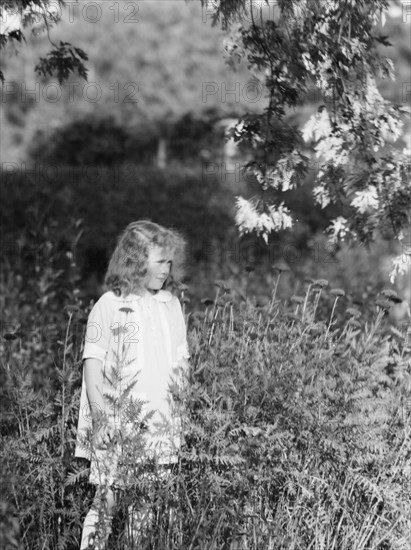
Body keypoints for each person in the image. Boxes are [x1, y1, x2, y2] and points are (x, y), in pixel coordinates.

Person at [75, 220, 190, 549]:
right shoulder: (108, 305)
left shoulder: (171, 305)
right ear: (136, 260)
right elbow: (92, 365)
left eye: (169, 262)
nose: (166, 269)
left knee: (145, 504)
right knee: (106, 499)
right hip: (118, 423)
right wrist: (99, 416)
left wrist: (179, 412)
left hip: (159, 425)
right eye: (159, 261)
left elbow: (181, 362)